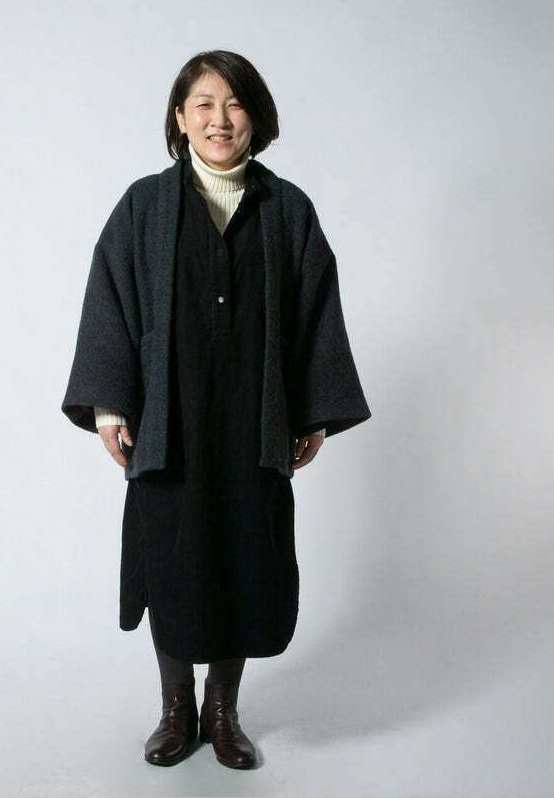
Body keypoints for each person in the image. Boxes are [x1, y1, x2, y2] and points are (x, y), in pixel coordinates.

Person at [61, 50, 371, 769]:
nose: (219, 119)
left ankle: (223, 710)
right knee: (170, 558)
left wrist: (313, 413)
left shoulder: (287, 210)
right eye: (203, 103)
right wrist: (109, 404)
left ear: (256, 117)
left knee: (243, 556)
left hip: (253, 421)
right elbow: (110, 298)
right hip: (167, 421)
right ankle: (176, 709)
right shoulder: (143, 206)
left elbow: (314, 313)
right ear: (179, 118)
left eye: (234, 104)